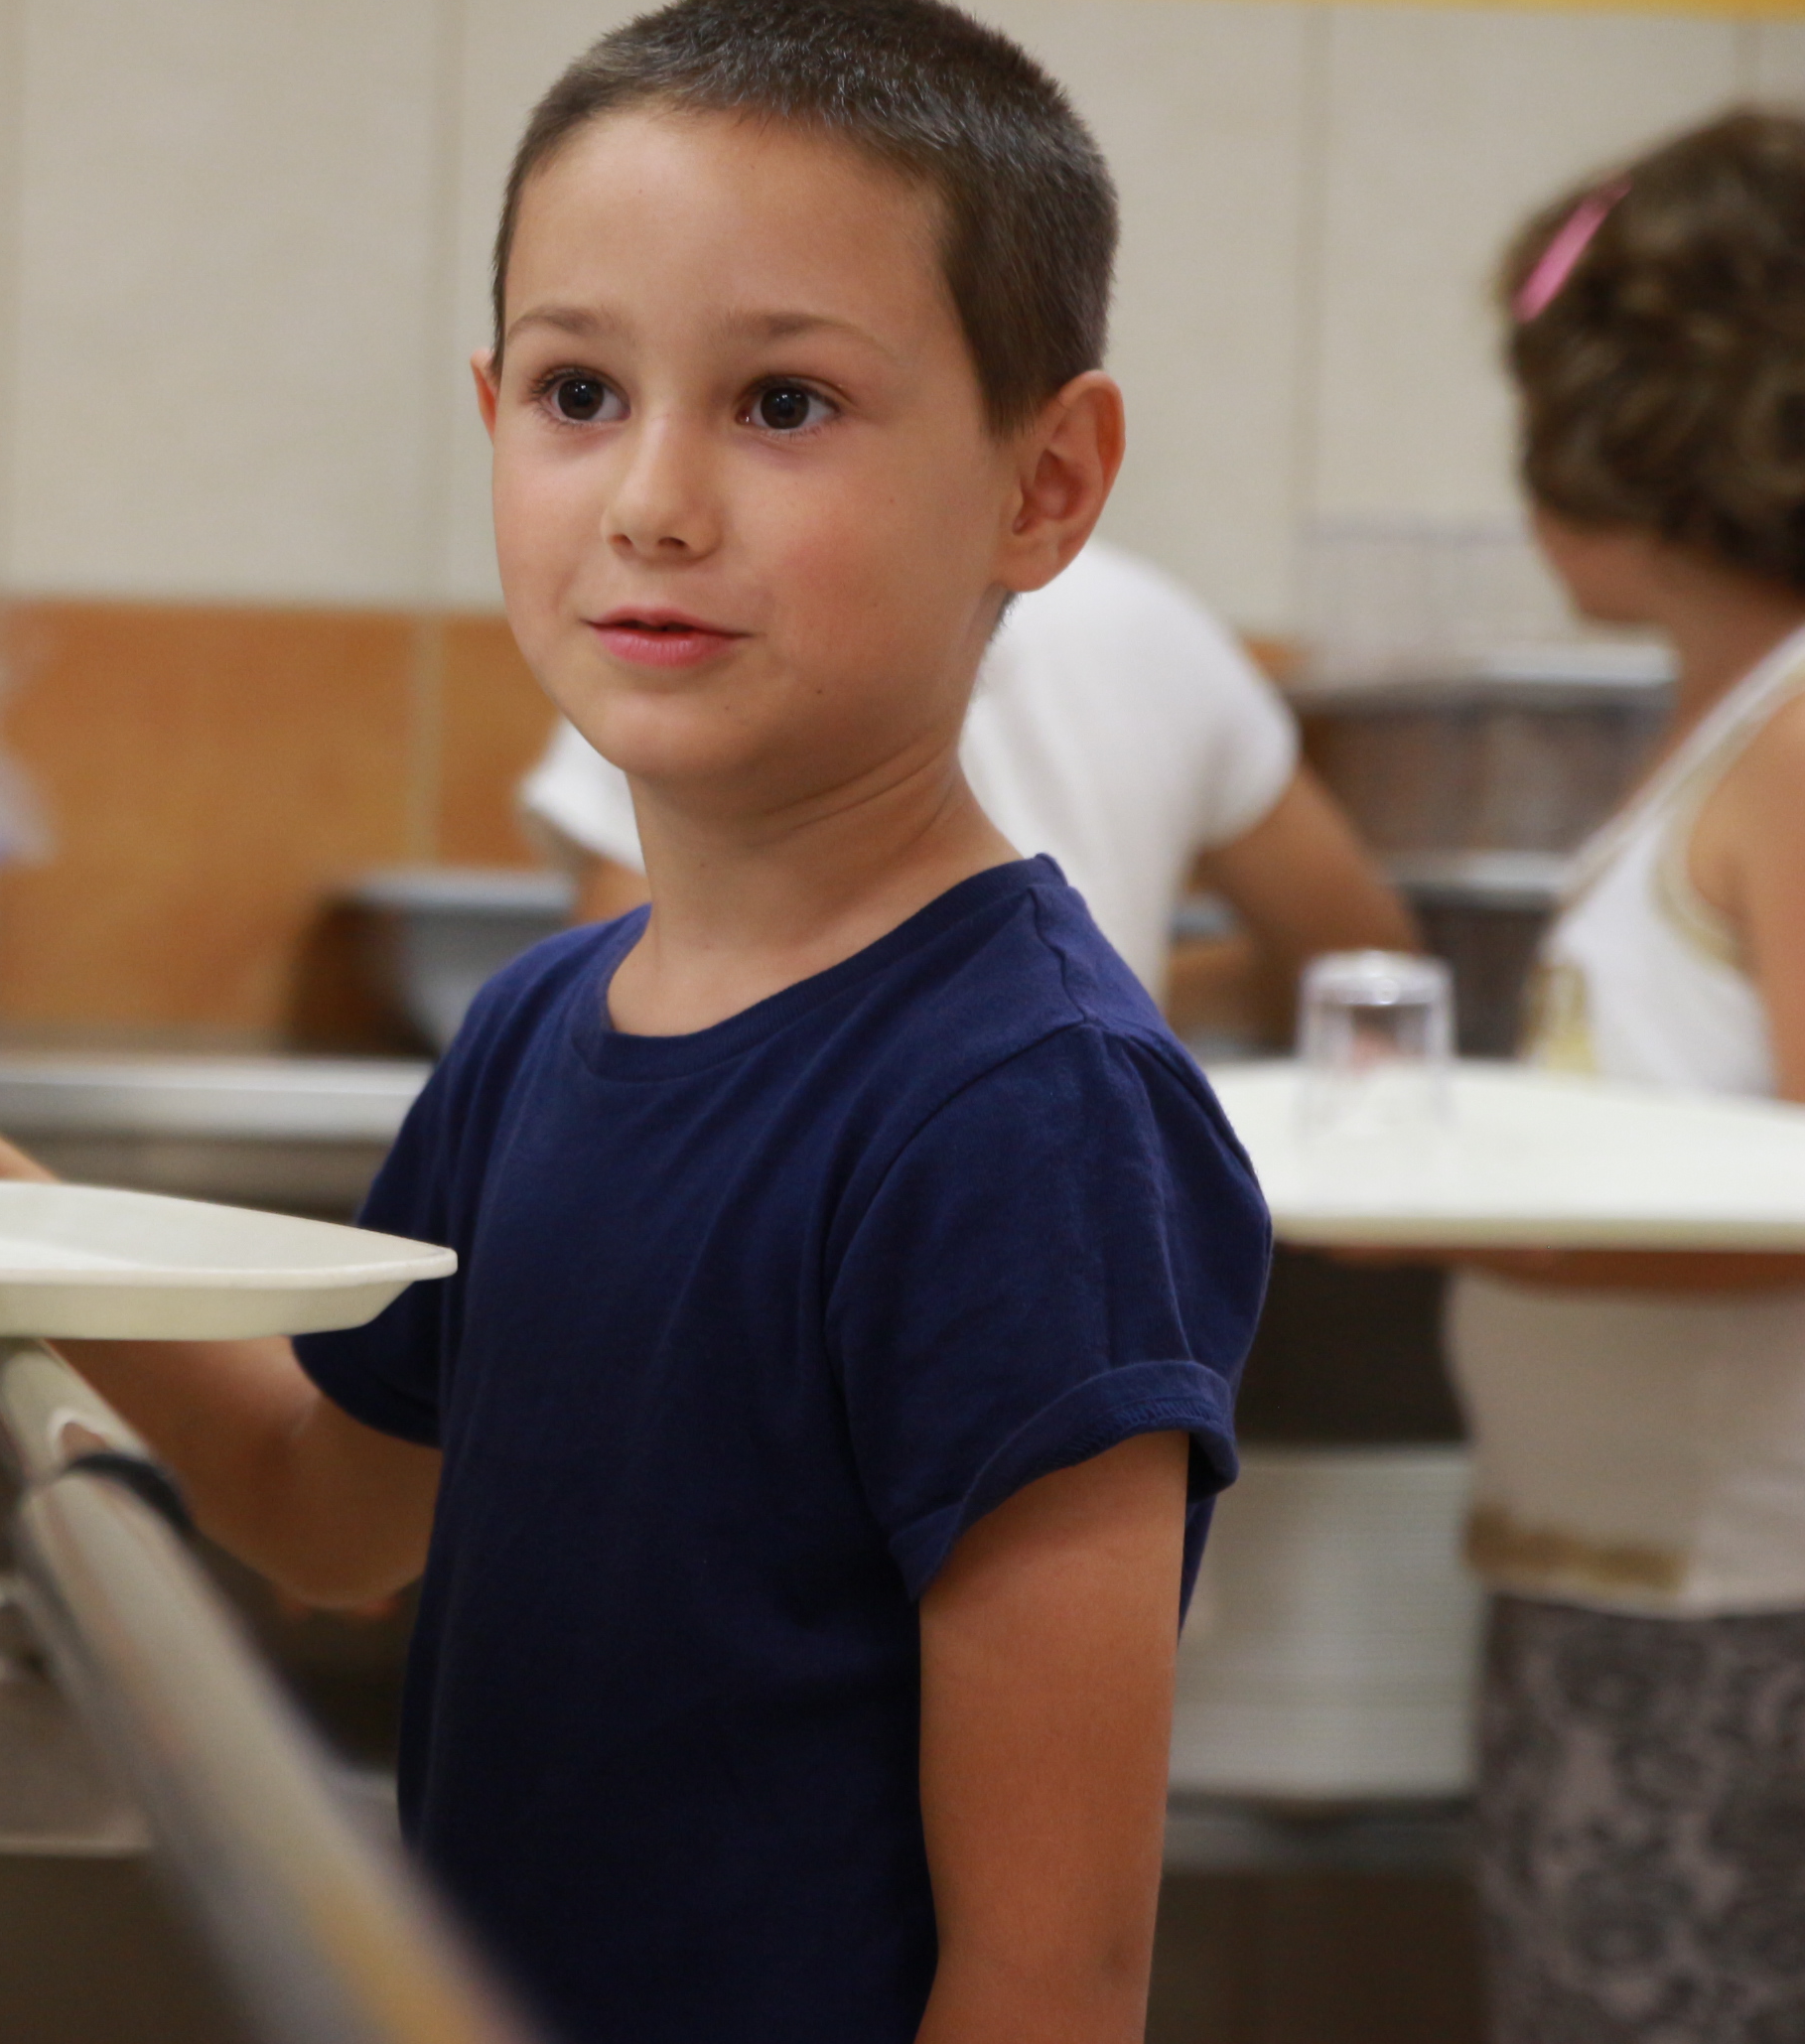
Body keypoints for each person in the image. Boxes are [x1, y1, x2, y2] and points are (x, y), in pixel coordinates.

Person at [0, 0, 1269, 2044]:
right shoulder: (539, 1032)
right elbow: (335, 1512)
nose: (653, 497)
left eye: (784, 405)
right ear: (491, 413)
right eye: (580, 391)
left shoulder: (1028, 1114)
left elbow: (1050, 1977)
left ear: (1045, 483)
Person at [1411, 112, 1805, 2042]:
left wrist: (1492, 1231)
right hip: (1632, 1578)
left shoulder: (1796, 745)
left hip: (1741, 1600)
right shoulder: (1727, 729)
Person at [517, 537, 1416, 1013]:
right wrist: (1124, 995)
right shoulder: (1154, 628)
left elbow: (638, 1015)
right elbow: (1366, 967)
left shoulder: (681, 638)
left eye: (787, 408)